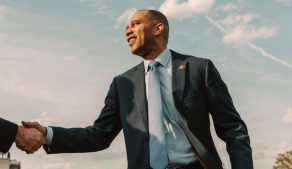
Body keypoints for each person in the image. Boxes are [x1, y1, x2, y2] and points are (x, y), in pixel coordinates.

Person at [23, 9, 253, 169]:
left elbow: (233, 128)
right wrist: (48, 134)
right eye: (125, 27)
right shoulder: (122, 84)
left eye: (135, 24)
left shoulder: (198, 69)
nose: (127, 31)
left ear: (158, 28)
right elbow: (99, 135)